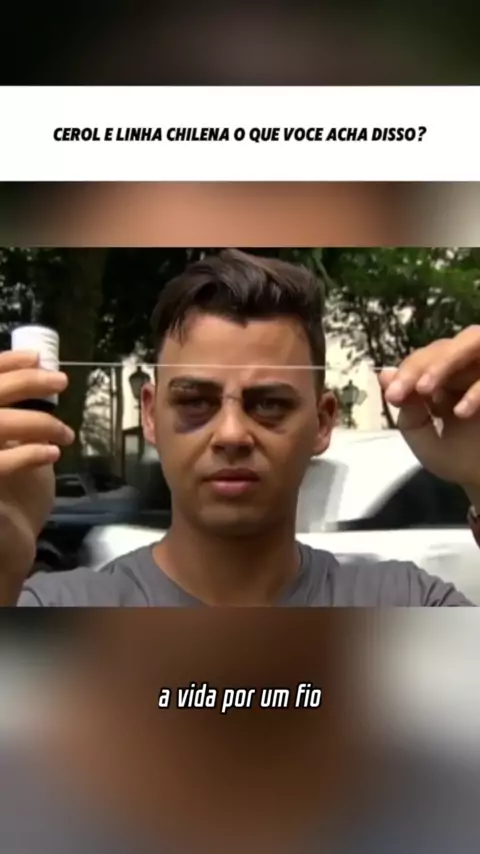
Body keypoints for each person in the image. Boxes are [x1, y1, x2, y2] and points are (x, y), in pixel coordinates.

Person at [1, 249, 479, 606]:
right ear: (150, 414)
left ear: (323, 421)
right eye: (195, 401)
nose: (231, 434)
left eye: (269, 404)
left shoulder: (404, 602)